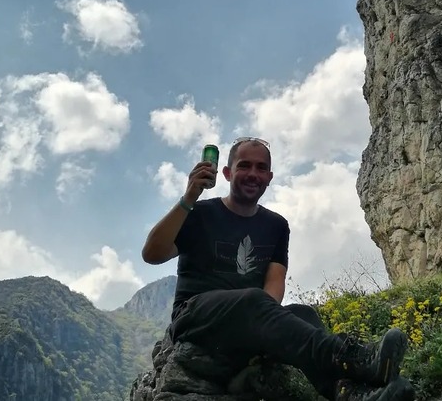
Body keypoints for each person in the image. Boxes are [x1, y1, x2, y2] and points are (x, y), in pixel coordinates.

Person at [142, 137, 415, 401]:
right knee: (253, 300)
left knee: (303, 314)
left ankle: (349, 393)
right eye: (244, 166)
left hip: (250, 318)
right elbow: (152, 254)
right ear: (226, 173)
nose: (253, 174)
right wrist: (189, 197)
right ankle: (351, 357)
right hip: (196, 318)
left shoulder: (276, 226)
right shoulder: (198, 213)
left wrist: (267, 328)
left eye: (261, 168)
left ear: (269, 177)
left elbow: (274, 284)